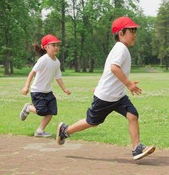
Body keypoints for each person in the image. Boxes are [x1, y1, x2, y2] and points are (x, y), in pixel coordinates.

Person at [56, 16, 156, 160]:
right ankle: (65, 131)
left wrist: (124, 83)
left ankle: (136, 148)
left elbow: (110, 72)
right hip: (106, 97)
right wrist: (129, 84)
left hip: (118, 96)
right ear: (121, 33)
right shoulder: (121, 48)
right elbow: (114, 68)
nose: (134, 34)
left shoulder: (121, 49)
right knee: (92, 122)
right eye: (131, 31)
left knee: (133, 115)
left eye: (135, 31)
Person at [19, 34, 71, 137]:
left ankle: (39, 131)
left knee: (51, 112)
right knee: (41, 111)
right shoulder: (43, 60)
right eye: (53, 45)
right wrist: (26, 86)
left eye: (57, 45)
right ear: (46, 47)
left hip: (48, 92)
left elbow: (58, 77)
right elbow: (32, 73)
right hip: (37, 91)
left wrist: (64, 89)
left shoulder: (57, 62)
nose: (56, 47)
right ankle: (28, 108)